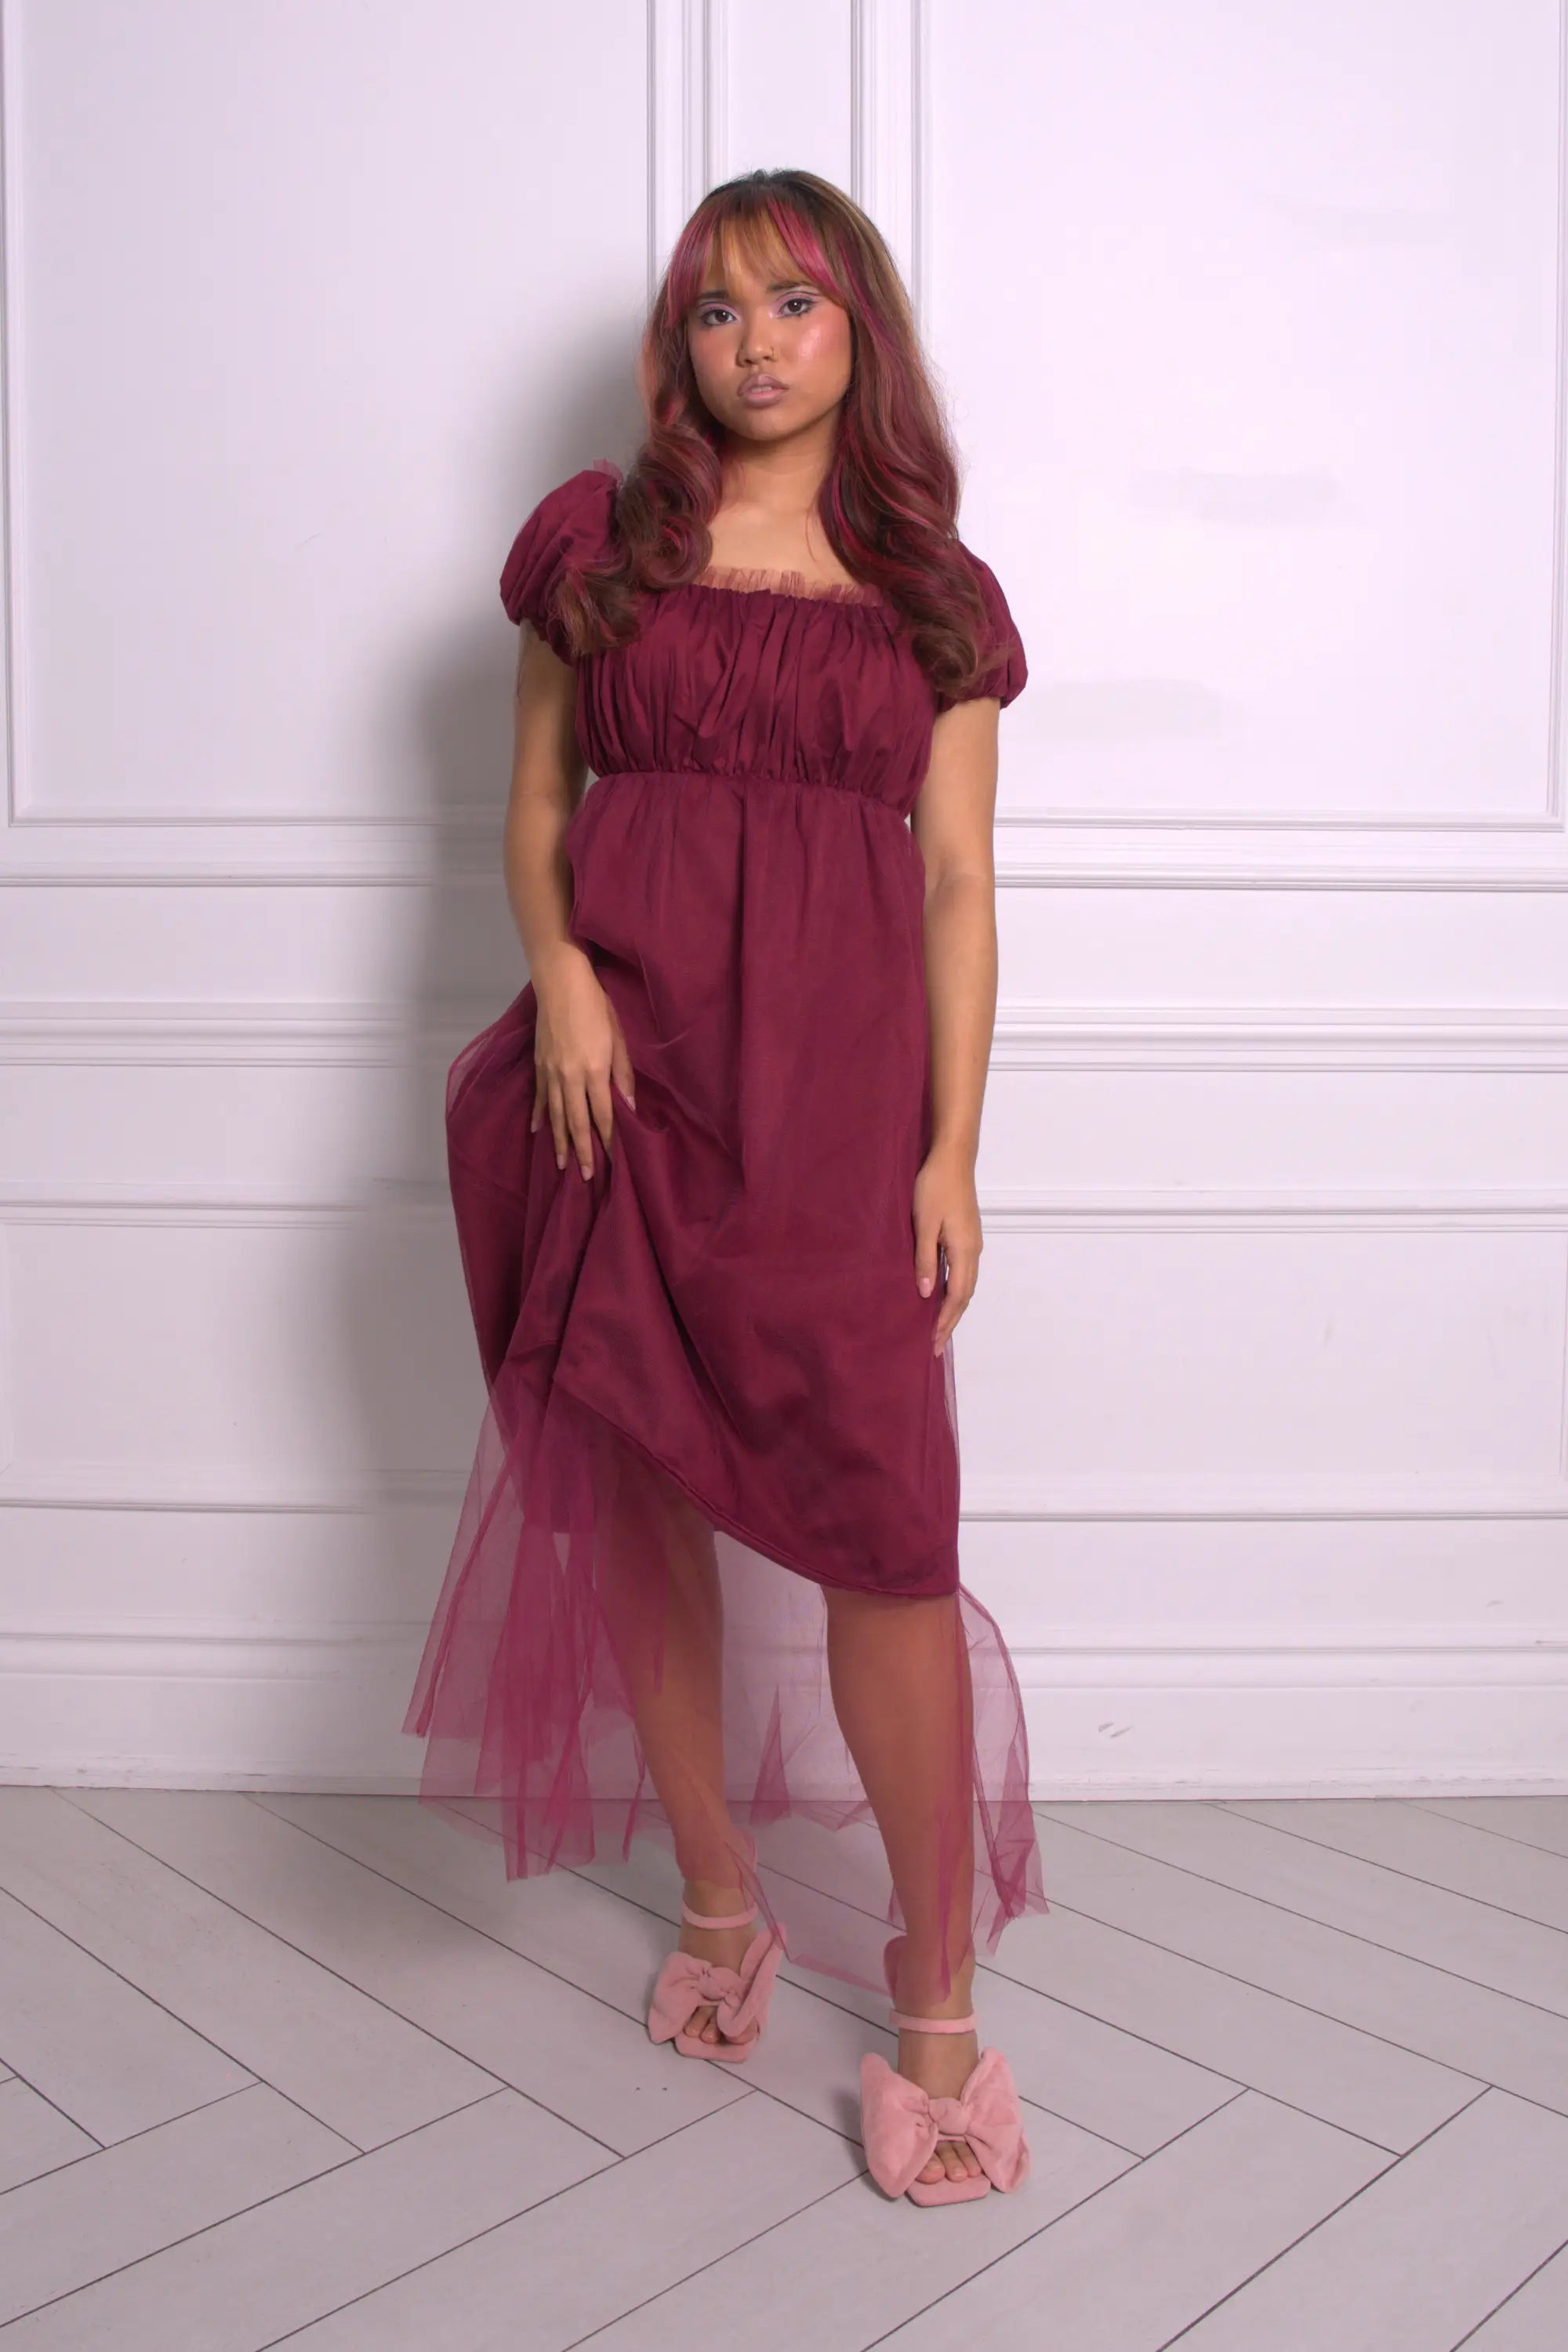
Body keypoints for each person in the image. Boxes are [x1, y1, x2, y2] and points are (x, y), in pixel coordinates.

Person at [403, 166, 1047, 2207]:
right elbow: (533, 809)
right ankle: (713, 1898)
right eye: (714, 309)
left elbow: (958, 882)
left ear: (862, 331)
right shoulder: (602, 553)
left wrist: (953, 1144)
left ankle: (934, 2001)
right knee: (639, 1496)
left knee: (886, 1539)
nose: (755, 340)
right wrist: (567, 985)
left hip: (842, 1118)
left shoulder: (934, 592)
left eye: (794, 302)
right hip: (629, 1089)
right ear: (673, 347)